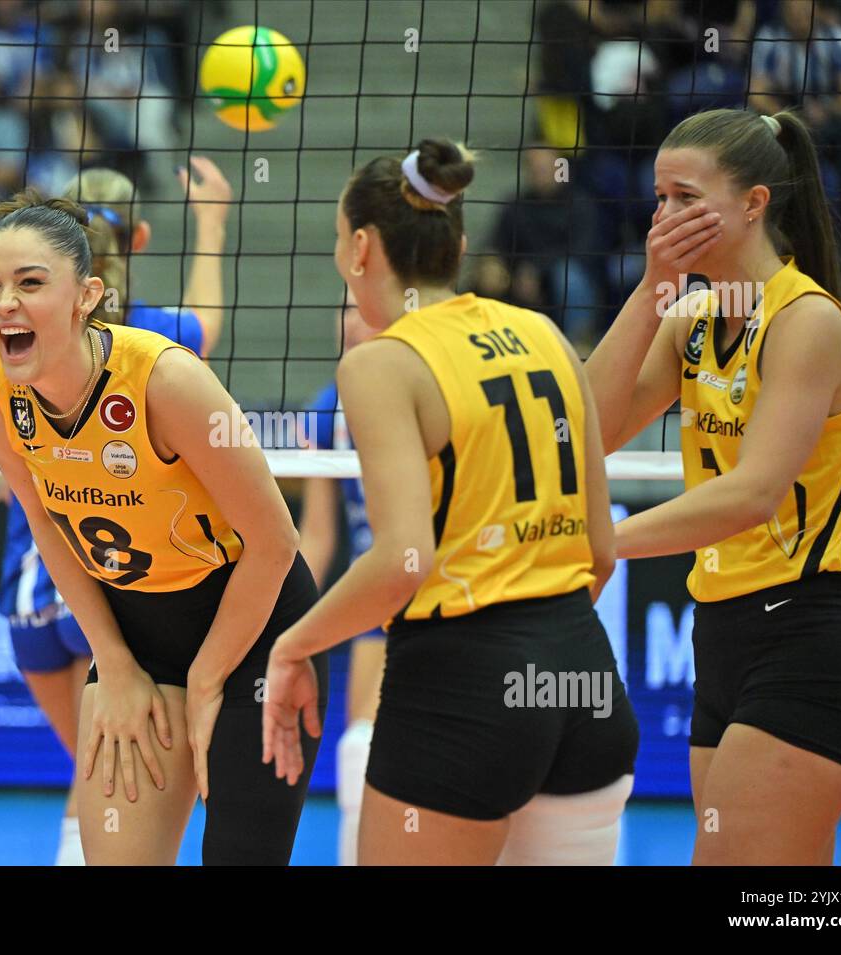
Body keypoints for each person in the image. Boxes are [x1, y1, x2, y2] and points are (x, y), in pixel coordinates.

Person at [263, 138, 638, 866]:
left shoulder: (378, 364)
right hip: (585, 683)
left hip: (461, 689)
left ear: (362, 248)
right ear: (458, 242)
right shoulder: (546, 334)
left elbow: (405, 560)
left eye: (341, 240)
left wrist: (293, 643)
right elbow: (600, 550)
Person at [0, 191, 327, 865]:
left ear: (87, 295)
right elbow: (42, 519)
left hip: (255, 634)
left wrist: (211, 676)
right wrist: (117, 662)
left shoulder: (165, 381)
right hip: (137, 638)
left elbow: (276, 542)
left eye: (30, 282)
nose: (4, 302)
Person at [584, 108, 841, 865]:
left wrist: (606, 542)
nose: (666, 216)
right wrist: (656, 282)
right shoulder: (690, 316)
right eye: (660, 199)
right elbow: (583, 431)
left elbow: (753, 493)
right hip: (719, 644)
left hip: (806, 648)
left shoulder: (806, 320)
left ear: (754, 203)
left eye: (688, 198)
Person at [297, 299, 383, 866]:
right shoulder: (325, 413)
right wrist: (283, 625)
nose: (352, 320)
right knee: (360, 751)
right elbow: (318, 538)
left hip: (451, 591)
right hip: (377, 597)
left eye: (365, 309)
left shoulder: (432, 386)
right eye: (344, 309)